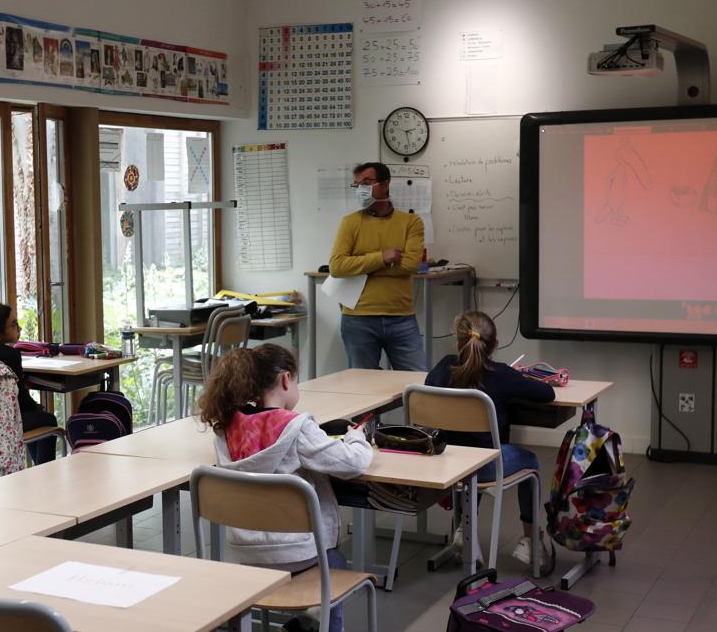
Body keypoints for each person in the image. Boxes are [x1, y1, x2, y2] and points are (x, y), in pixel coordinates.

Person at [198, 344, 372, 632]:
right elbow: (352, 463)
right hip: (299, 553)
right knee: (336, 559)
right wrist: (356, 438)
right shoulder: (297, 428)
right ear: (286, 379)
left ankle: (304, 622)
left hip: (247, 553)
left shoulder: (227, 429)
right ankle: (320, 620)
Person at [424, 310, 555, 567]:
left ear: (458, 342)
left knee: (470, 453)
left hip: (445, 462)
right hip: (481, 467)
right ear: (494, 344)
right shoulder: (503, 375)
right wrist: (520, 378)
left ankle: (464, 530)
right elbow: (546, 393)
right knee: (530, 462)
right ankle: (530, 542)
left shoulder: (441, 368)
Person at [329, 162, 426, 371]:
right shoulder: (350, 222)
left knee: (418, 380)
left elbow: (410, 264)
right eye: (357, 185)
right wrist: (382, 258)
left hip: (401, 317)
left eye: (367, 183)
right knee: (364, 388)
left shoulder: (411, 222)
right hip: (358, 318)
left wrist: (360, 264)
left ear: (385, 184)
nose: (361, 189)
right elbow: (337, 266)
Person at [0, 303, 60, 464]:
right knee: (48, 419)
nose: (20, 328)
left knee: (35, 416)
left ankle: (38, 468)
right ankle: (44, 470)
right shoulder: (10, 355)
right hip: (6, 423)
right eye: (14, 324)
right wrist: (36, 406)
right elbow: (21, 398)